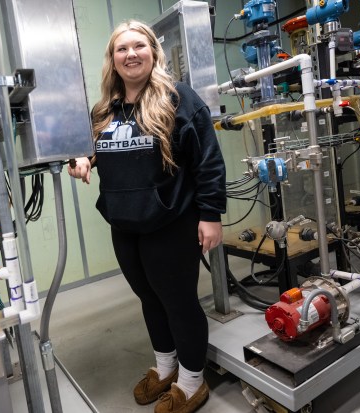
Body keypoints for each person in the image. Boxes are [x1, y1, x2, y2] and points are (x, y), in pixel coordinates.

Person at [68, 20, 226, 413]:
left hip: (170, 222)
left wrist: (210, 215)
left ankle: (192, 383)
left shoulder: (179, 98)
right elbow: (91, 148)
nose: (131, 54)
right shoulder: (104, 109)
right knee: (148, 299)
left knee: (178, 303)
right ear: (112, 60)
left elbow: (208, 161)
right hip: (124, 223)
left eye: (139, 45)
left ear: (153, 52)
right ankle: (166, 367)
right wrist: (83, 159)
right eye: (122, 49)